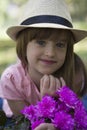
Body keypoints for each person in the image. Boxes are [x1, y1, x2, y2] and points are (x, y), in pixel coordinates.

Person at [0, 0, 87, 129]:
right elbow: (23, 122)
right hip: (16, 119)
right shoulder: (11, 79)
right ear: (24, 46)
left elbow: (71, 117)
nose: (50, 53)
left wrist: (59, 100)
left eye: (60, 45)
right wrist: (46, 101)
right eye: (41, 42)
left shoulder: (73, 73)